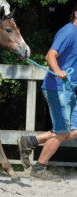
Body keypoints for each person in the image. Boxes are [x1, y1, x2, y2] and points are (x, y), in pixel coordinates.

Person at [18, 4, 77, 181]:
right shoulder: (68, 32)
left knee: (74, 130)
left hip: (70, 89)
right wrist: (58, 70)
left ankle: (31, 141)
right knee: (61, 131)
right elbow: (50, 55)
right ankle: (39, 169)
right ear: (76, 13)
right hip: (57, 88)